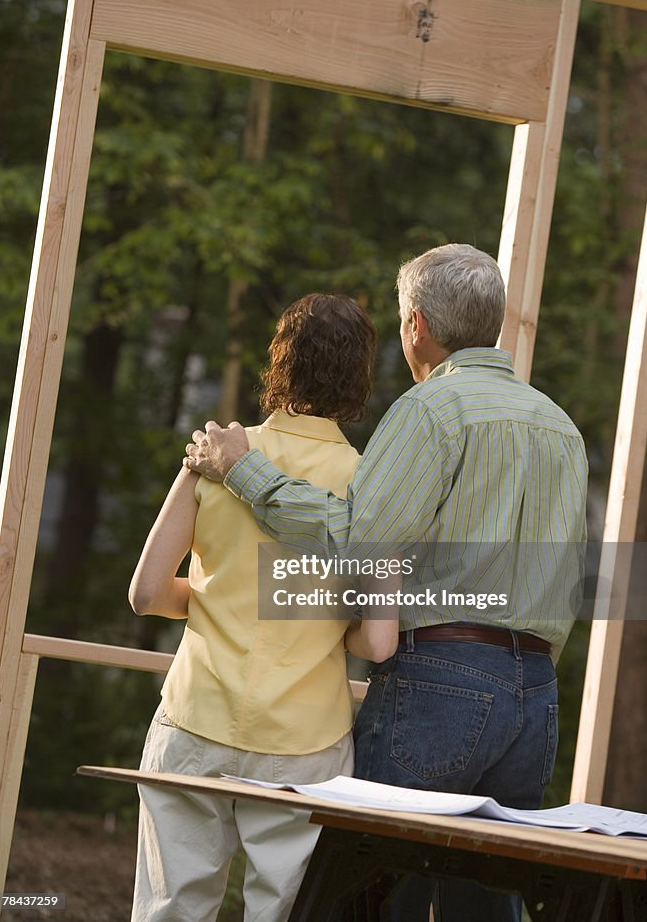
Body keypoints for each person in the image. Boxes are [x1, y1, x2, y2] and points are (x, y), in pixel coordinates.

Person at [183, 244, 589, 922]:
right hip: (535, 696)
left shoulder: (431, 409)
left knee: (361, 890)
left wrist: (244, 470)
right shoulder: (560, 427)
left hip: (442, 680)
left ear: (416, 326)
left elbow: (357, 544)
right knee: (481, 907)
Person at [129, 293, 397, 922]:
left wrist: (213, 601)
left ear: (280, 362)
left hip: (195, 717)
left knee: (170, 908)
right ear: (359, 378)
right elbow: (377, 645)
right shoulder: (369, 485)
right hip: (306, 740)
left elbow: (145, 592)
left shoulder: (217, 454)